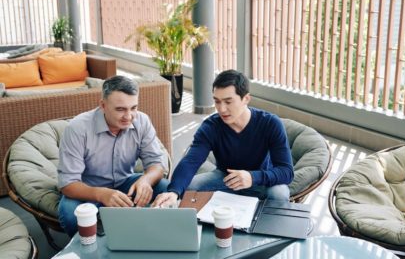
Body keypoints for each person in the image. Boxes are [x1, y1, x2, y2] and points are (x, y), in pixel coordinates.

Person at [153, 70, 293, 207]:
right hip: (224, 178)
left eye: (228, 102)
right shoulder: (211, 126)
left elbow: (286, 172)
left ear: (246, 99)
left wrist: (252, 177)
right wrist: (173, 192)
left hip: (261, 182)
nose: (221, 109)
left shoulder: (270, 123)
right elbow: (191, 161)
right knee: (188, 187)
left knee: (280, 192)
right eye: (217, 101)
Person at [57, 75, 169, 236]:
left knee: (166, 189)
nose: (129, 116)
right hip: (87, 189)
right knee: (70, 215)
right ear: (103, 105)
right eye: (120, 109)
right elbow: (67, 184)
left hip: (125, 184)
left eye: (133, 108)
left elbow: (157, 164)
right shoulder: (77, 128)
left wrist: (146, 180)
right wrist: (102, 194)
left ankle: (152, 237)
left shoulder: (142, 121)